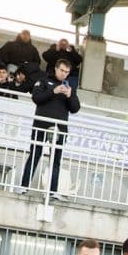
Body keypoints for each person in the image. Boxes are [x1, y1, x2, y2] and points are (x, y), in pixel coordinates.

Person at [21, 59, 80, 195]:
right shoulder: (43, 81)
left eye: (67, 72)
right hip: (41, 125)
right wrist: (53, 91)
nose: (64, 74)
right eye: (62, 70)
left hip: (60, 128)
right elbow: (36, 98)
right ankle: (24, 186)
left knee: (56, 160)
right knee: (35, 154)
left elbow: (75, 109)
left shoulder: (69, 87)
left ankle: (53, 192)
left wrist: (70, 95)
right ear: (56, 68)